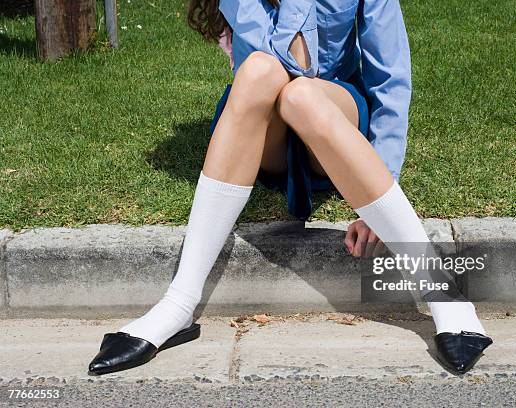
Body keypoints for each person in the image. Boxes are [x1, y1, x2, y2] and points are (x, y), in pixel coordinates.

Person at [88, 0, 492, 376]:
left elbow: (389, 79)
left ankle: (442, 293)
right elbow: (282, 63)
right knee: (260, 72)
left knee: (302, 96)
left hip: (331, 115)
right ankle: (178, 304)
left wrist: (378, 191)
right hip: (264, 131)